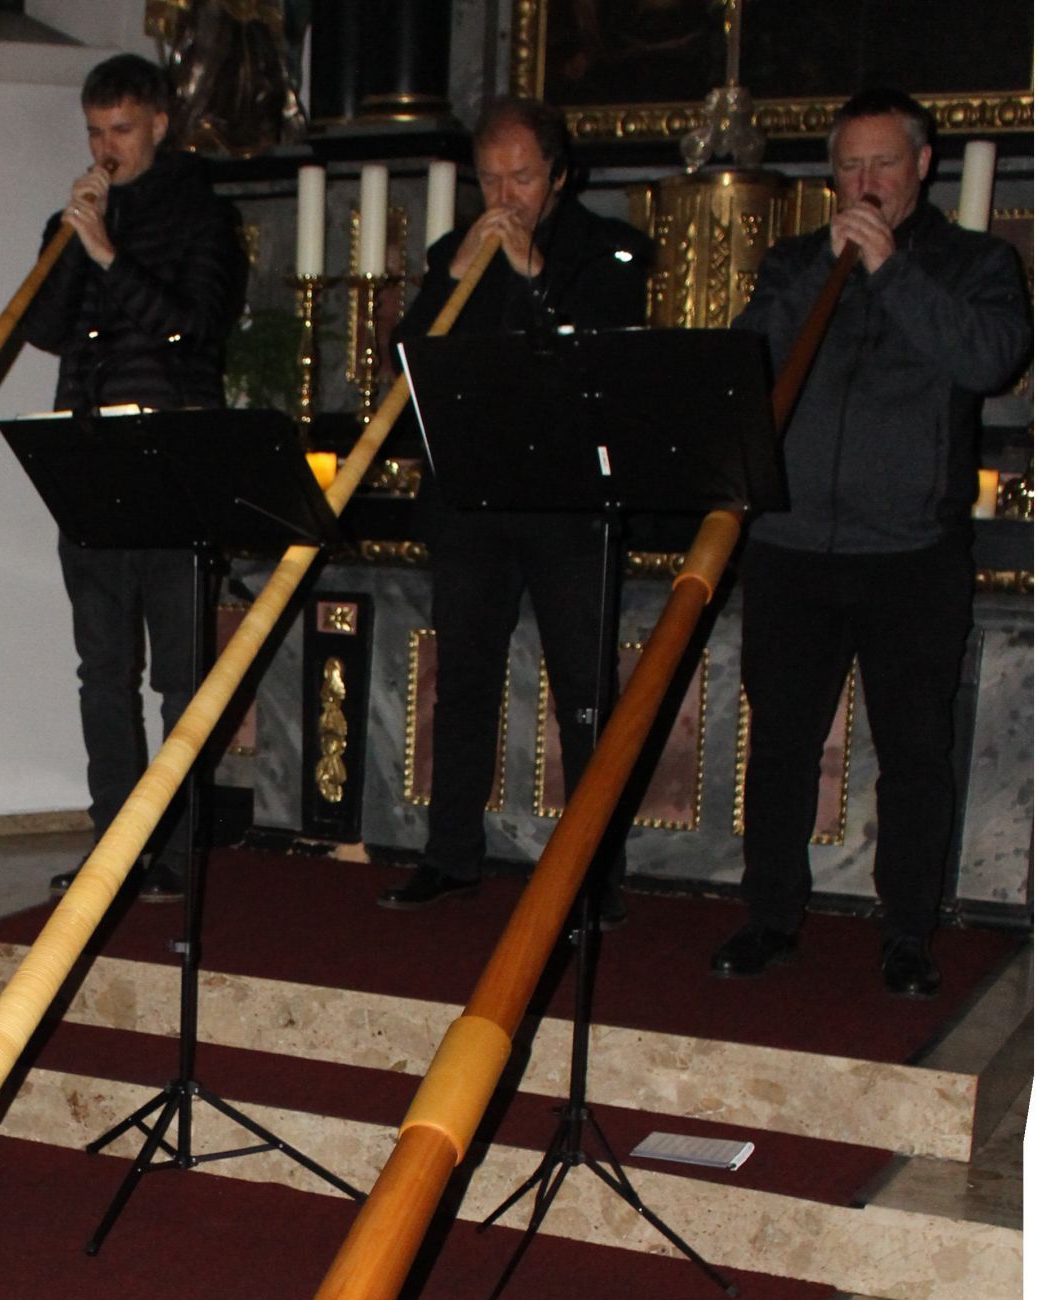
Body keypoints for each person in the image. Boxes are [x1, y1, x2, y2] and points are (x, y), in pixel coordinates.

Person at [709, 87, 1031, 997]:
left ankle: (907, 933)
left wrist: (892, 273)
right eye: (849, 164)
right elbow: (748, 364)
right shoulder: (794, 261)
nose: (865, 180)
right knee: (777, 744)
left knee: (914, 750)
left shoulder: (973, 265)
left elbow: (989, 357)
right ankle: (769, 916)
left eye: (883, 163)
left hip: (911, 554)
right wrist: (829, 271)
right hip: (793, 546)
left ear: (922, 165)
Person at [379, 97, 652, 922]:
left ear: (560, 176)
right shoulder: (450, 254)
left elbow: (601, 356)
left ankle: (593, 874)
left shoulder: (609, 251)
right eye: (491, 178)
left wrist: (532, 276)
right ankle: (451, 854)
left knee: (584, 691)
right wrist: (453, 277)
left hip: (569, 505)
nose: (504, 196)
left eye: (523, 177)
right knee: (461, 684)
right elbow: (407, 370)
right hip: (471, 501)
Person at [24, 53, 247, 897]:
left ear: (158, 123)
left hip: (174, 456)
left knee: (181, 676)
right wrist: (74, 243)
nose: (106, 147)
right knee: (102, 667)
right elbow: (42, 328)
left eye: (121, 129)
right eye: (93, 131)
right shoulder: (79, 218)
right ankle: (113, 845)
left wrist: (110, 253)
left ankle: (180, 847)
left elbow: (194, 326)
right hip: (87, 456)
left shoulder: (204, 217)